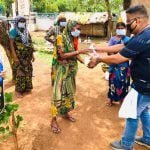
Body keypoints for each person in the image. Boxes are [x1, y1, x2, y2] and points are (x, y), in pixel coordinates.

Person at [88, 5, 150, 150]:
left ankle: (126, 145)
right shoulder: (143, 35)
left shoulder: (144, 38)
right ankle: (147, 138)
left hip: (143, 85)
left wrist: (98, 59)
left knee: (132, 114)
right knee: (144, 110)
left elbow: (118, 58)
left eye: (128, 22)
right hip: (147, 84)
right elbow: (122, 47)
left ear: (138, 20)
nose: (126, 25)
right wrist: (99, 49)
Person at [51, 21, 87, 134]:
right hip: (61, 72)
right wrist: (79, 51)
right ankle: (53, 120)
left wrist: (86, 61)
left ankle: (65, 112)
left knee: (68, 93)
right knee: (58, 94)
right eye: (77, 28)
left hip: (70, 72)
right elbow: (61, 55)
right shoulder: (60, 38)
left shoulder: (73, 39)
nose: (79, 31)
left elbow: (76, 54)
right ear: (71, 28)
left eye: (80, 29)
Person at [9, 16, 35, 98]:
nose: (22, 23)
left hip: (28, 56)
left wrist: (32, 54)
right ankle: (19, 91)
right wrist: (15, 57)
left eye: (24, 22)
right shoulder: (13, 31)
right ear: (17, 22)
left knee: (29, 71)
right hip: (19, 56)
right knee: (20, 73)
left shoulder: (26, 31)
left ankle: (27, 88)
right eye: (21, 21)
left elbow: (30, 43)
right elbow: (11, 45)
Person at [107, 22, 130, 106]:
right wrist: (115, 57)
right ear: (116, 29)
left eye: (122, 28)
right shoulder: (113, 39)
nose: (120, 30)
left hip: (124, 65)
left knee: (124, 83)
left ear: (125, 29)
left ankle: (122, 99)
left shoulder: (128, 40)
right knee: (113, 82)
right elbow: (108, 52)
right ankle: (111, 99)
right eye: (119, 28)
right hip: (114, 65)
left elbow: (130, 53)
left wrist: (121, 58)